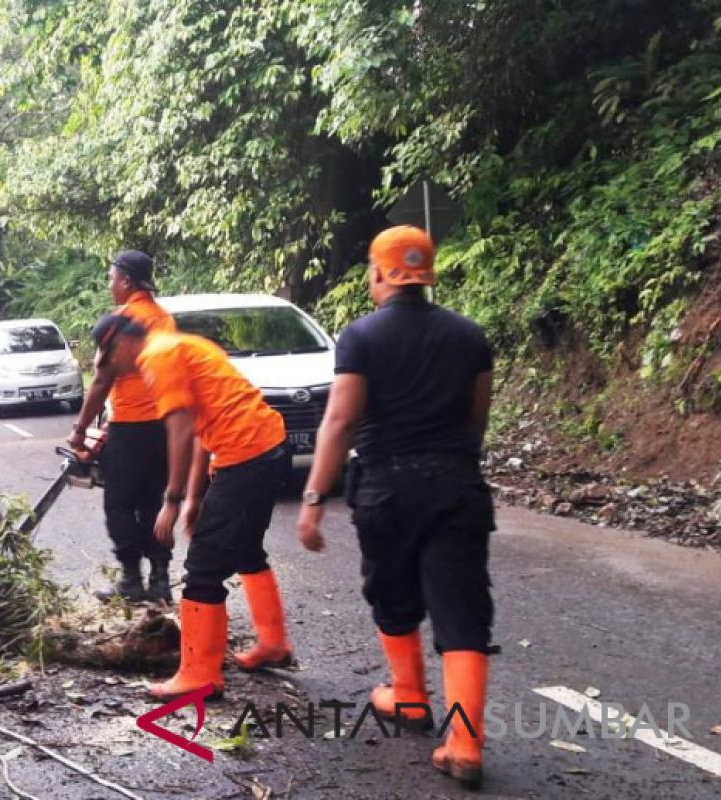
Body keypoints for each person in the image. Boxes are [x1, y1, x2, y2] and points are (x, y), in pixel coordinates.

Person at [297, 225, 496, 789]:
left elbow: (341, 420)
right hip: (457, 484)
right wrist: (454, 463)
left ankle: (409, 696)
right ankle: (464, 744)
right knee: (461, 608)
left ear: (381, 272)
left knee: (391, 589)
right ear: (426, 272)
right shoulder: (470, 335)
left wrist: (314, 497)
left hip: (387, 486)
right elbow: (475, 417)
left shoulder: (360, 337)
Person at [92, 312, 293, 700]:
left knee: (202, 568)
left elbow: (181, 429)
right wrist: (195, 498)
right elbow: (203, 429)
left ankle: (200, 673)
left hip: (246, 456)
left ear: (119, 343)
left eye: (107, 356)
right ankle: (273, 643)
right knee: (247, 549)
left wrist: (171, 500)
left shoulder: (158, 357)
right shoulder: (183, 345)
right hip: (268, 447)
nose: (111, 367)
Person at [67, 250, 176, 604]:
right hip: (163, 428)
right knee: (152, 502)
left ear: (126, 280)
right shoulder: (164, 319)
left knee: (119, 504)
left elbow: (100, 382)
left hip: (130, 427)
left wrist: (80, 430)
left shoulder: (120, 321)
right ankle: (160, 579)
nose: (110, 284)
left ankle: (131, 578)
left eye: (112, 278)